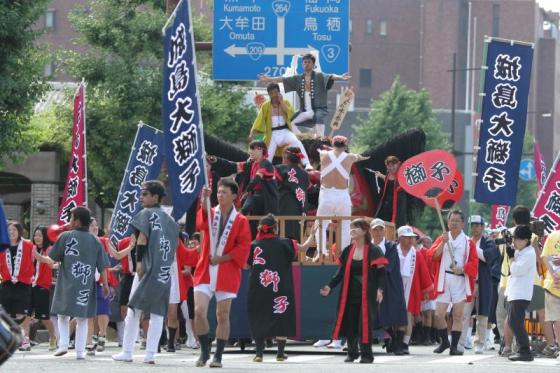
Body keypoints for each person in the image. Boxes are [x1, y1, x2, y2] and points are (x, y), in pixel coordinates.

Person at [112, 180, 179, 364]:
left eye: (144, 194)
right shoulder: (170, 221)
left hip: (147, 269)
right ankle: (150, 355)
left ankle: (127, 351)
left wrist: (139, 262)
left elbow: (142, 240)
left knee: (134, 309)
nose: (141, 197)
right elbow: (176, 244)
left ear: (155, 197)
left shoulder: (146, 214)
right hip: (165, 271)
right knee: (157, 313)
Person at [193, 178, 251, 368]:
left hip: (227, 270)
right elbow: (201, 221)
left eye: (224, 192)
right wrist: (204, 199)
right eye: (218, 192)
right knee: (199, 311)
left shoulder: (240, 220)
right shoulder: (211, 213)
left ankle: (218, 355)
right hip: (205, 269)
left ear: (234, 196)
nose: (220, 195)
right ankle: (204, 351)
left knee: (222, 315)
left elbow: (243, 247)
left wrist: (222, 258)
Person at [247, 214, 315, 362]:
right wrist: (312, 234)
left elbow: (246, 265)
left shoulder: (253, 245)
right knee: (282, 314)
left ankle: (259, 353)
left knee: (260, 315)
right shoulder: (286, 243)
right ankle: (280, 353)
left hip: (259, 286)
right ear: (276, 228)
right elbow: (303, 248)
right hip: (281, 285)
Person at [320, 218, 387, 363]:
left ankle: (367, 355)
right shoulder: (348, 250)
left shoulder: (374, 250)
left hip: (368, 295)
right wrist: (329, 286)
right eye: (351, 228)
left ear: (364, 231)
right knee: (350, 323)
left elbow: (381, 273)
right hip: (349, 293)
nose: (352, 231)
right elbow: (340, 273)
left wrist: (380, 290)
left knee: (364, 325)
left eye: (355, 228)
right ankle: (352, 352)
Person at [46, 207, 110, 359]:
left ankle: (63, 345)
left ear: (77, 221)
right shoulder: (96, 240)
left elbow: (53, 258)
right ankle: (80, 352)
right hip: (85, 284)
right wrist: (106, 285)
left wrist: (40, 257)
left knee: (62, 314)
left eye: (71, 218)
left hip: (66, 283)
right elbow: (102, 266)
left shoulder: (65, 236)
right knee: (82, 318)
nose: (69, 222)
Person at [259, 53, 351, 137]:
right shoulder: (298, 78)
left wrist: (341, 77)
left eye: (309, 62)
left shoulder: (319, 76)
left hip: (317, 109)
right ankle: (302, 138)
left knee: (319, 119)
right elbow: (283, 79)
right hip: (304, 111)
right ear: (302, 64)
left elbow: (331, 76)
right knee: (291, 122)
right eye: (304, 62)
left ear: (313, 64)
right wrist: (268, 79)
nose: (306, 64)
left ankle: (320, 140)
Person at [427, 210, 478, 355]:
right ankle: (445, 341)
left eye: (457, 221)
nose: (454, 223)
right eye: (452, 220)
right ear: (448, 222)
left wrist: (462, 269)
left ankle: (454, 346)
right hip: (444, 278)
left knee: (457, 314)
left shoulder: (468, 242)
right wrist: (442, 244)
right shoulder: (442, 238)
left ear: (462, 223)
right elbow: (432, 256)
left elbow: (474, 264)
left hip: (460, 280)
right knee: (438, 314)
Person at [315, 135, 369, 258]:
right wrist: (362, 157)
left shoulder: (323, 154)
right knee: (345, 226)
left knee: (320, 224)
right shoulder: (350, 157)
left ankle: (321, 252)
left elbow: (320, 149)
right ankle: (343, 253)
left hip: (327, 195)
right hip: (342, 196)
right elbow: (359, 157)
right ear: (345, 145)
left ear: (333, 144)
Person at [458, 215, 500, 354]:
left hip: (483, 282)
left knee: (483, 314)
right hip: (467, 282)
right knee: (464, 314)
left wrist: (472, 246)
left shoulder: (488, 242)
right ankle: (461, 342)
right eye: (472, 225)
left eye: (477, 225)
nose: (475, 227)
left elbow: (487, 257)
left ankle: (480, 343)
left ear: (482, 227)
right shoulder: (464, 241)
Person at [249, 83, 312, 168]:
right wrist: (252, 132)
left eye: (275, 92)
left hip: (285, 132)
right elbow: (259, 119)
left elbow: (291, 115)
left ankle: (307, 164)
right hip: (273, 134)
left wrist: (281, 103)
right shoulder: (266, 105)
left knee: (296, 142)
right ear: (269, 94)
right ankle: (263, 172)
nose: (274, 95)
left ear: (279, 92)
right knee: (268, 156)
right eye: (271, 93)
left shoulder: (286, 102)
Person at [370, 219, 408, 355]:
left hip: (392, 284)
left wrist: (373, 270)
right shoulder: (368, 247)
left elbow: (388, 266)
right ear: (371, 231)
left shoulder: (391, 246)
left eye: (380, 229)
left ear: (384, 231)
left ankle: (398, 345)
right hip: (375, 284)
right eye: (375, 229)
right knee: (381, 316)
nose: (378, 232)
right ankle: (392, 340)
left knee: (397, 315)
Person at [394, 225, 433, 354]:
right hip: (396, 287)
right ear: (400, 238)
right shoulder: (394, 251)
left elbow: (423, 272)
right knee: (396, 316)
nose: (410, 240)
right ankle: (396, 341)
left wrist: (426, 290)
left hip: (411, 287)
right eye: (407, 237)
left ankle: (405, 343)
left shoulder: (416, 254)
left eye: (411, 238)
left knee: (408, 316)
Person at [0, 221, 35, 351]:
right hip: (7, 283)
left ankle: (25, 340)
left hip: (23, 283)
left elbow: (36, 257)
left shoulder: (28, 245)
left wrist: (48, 260)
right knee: (6, 313)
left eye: (14, 230)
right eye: (9, 230)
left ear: (19, 231)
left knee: (23, 313)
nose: (11, 233)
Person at [506, 225, 537, 362]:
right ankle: (522, 350)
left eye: (517, 239)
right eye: (514, 239)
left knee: (516, 322)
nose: (514, 242)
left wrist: (512, 258)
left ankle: (525, 351)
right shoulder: (522, 250)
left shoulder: (529, 253)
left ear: (526, 240)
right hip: (515, 292)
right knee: (514, 322)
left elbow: (517, 270)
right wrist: (510, 251)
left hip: (521, 293)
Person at [275, 146, 315, 240]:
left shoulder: (279, 169)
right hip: (300, 214)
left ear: (285, 156)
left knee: (282, 242)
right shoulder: (304, 174)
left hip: (283, 211)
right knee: (295, 244)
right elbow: (311, 190)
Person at [29, 225, 57, 351]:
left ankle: (53, 338)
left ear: (45, 237)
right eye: (35, 235)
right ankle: (26, 340)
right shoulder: (32, 248)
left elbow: (50, 262)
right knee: (25, 315)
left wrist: (37, 256)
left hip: (42, 286)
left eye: (40, 235)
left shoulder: (49, 249)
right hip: (29, 285)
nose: (37, 238)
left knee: (44, 318)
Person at [373, 156, 408, 228]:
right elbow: (387, 180)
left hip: (398, 204)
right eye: (389, 166)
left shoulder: (402, 175)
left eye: (393, 166)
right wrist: (380, 175)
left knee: (397, 223)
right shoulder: (388, 175)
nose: (391, 168)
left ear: (398, 164)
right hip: (386, 203)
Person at [541, 229, 560, 359]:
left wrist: (554, 275)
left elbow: (544, 257)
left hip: (553, 284)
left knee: (557, 320)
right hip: (553, 285)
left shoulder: (553, 235)